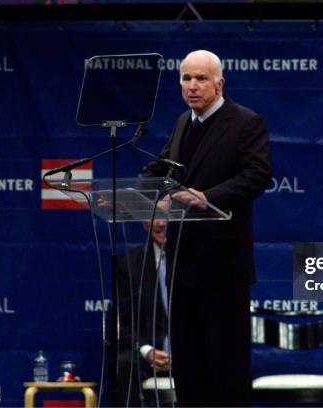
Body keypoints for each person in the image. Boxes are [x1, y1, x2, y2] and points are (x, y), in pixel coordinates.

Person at [141, 49, 272, 406]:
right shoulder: (184, 122)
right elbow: (164, 168)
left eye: (201, 78)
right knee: (189, 371)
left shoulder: (245, 122)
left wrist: (209, 196)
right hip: (183, 266)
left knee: (226, 371)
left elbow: (258, 175)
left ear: (220, 83)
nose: (192, 86)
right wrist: (133, 192)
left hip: (223, 268)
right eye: (186, 78)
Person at [116, 220, 171, 407]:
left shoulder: (199, 260)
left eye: (168, 215)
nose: (162, 223)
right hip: (150, 351)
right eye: (157, 216)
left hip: (190, 350)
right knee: (125, 364)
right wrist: (147, 350)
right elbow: (124, 321)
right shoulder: (129, 264)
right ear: (145, 223)